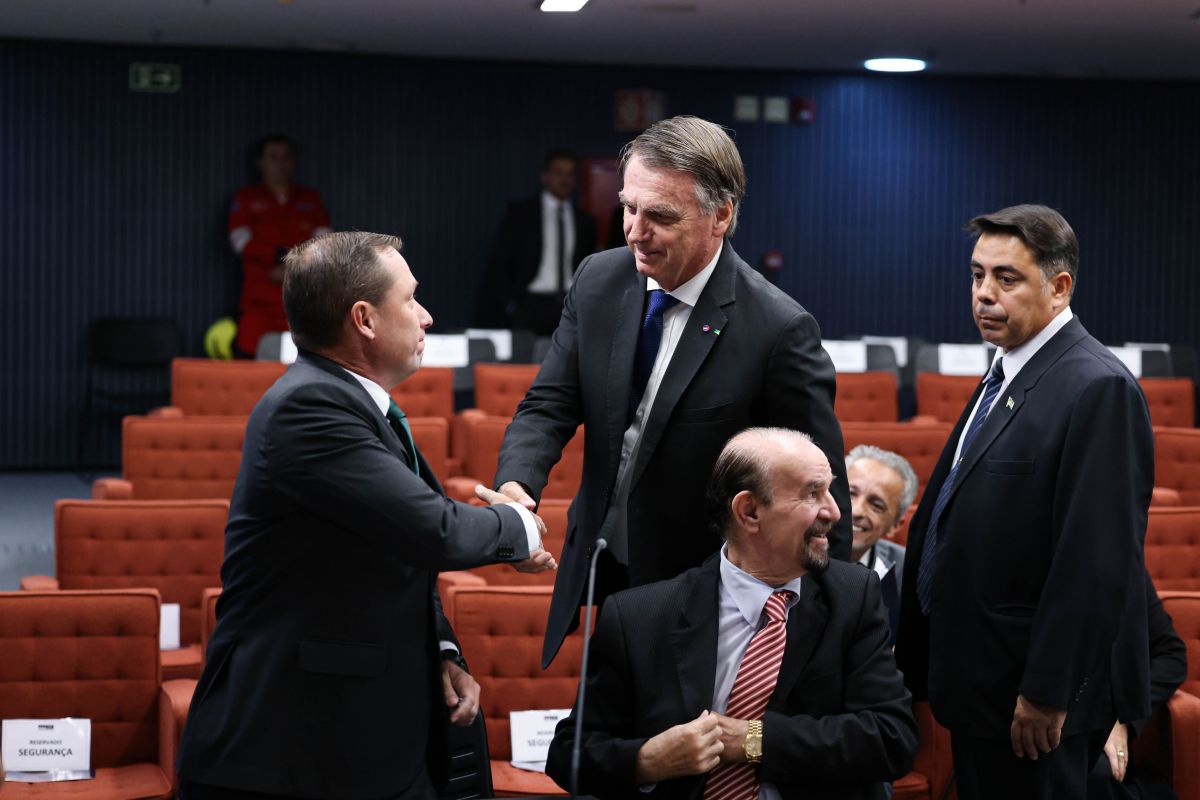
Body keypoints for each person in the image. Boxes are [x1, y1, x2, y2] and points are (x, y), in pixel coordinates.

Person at [176, 232, 554, 800]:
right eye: (410, 300)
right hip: (289, 755)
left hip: (361, 741)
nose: (426, 317)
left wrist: (442, 653)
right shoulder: (309, 408)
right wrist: (520, 527)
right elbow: (433, 530)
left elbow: (392, 550)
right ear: (365, 319)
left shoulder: (351, 404)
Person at [491, 115, 850, 667]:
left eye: (659, 216)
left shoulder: (778, 329)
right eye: (629, 208)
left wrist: (832, 626)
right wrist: (518, 483)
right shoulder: (598, 280)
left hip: (706, 593)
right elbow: (549, 403)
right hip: (602, 570)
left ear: (721, 216)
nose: (634, 231)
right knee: (595, 747)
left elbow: (822, 493)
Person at [894, 204, 1155, 800]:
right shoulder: (1008, 373)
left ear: (1059, 287)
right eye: (976, 274)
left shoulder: (1096, 387)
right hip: (981, 684)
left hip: (1032, 703)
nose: (984, 293)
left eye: (1005, 278)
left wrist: (1048, 690)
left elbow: (1094, 562)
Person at [546, 428, 917, 800]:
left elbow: (891, 737)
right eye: (812, 493)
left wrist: (754, 741)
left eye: (830, 490)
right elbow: (570, 755)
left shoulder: (853, 596)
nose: (836, 511)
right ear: (750, 511)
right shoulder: (639, 615)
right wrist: (647, 759)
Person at [228, 134, 332, 357]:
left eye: (286, 157)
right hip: (259, 305)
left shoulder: (309, 199)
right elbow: (240, 241)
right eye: (273, 157)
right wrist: (275, 256)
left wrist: (293, 266)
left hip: (302, 303)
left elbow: (326, 243)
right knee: (251, 371)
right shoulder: (247, 198)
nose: (280, 163)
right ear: (260, 163)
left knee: (304, 367)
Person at [477, 148, 598, 334]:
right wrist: (511, 305)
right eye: (558, 172)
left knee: (570, 361)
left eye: (570, 174)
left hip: (570, 305)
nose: (565, 179)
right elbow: (500, 262)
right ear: (545, 176)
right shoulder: (521, 214)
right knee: (526, 361)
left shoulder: (585, 220)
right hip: (529, 306)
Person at [1088, 572, 1186, 800]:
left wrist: (1124, 719)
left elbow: (1172, 655)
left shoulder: (1130, 567)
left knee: (1105, 774)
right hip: (1045, 728)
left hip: (1103, 732)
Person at [846, 444, 917, 645]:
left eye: (876, 505)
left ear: (895, 525)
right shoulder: (794, 555)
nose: (857, 511)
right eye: (850, 493)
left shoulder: (907, 571)